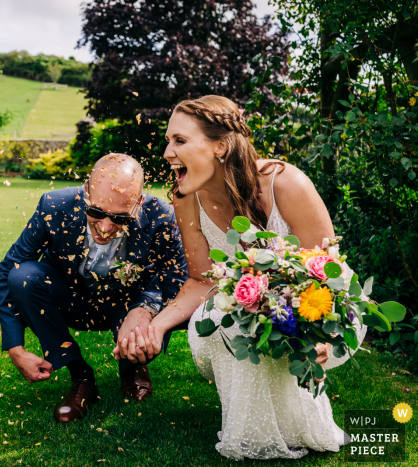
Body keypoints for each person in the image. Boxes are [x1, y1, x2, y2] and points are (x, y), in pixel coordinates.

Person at [117, 96, 366, 460]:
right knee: (226, 321)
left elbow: (328, 270)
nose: (168, 152)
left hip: (327, 309)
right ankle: (254, 435)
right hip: (246, 308)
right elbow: (202, 282)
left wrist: (321, 332)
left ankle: (295, 423)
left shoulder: (287, 184)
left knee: (255, 323)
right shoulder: (185, 198)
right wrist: (156, 326)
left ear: (220, 146)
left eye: (180, 141)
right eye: (169, 141)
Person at [0, 153, 188, 423]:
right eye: (96, 212)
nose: (106, 227)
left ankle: (133, 367)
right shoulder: (54, 205)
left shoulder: (161, 216)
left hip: (128, 305)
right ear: (86, 191)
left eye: (120, 218)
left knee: (150, 309)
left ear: (139, 202)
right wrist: (15, 347)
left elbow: (177, 278)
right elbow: (8, 270)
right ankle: (80, 376)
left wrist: (145, 308)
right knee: (22, 276)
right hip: (72, 301)